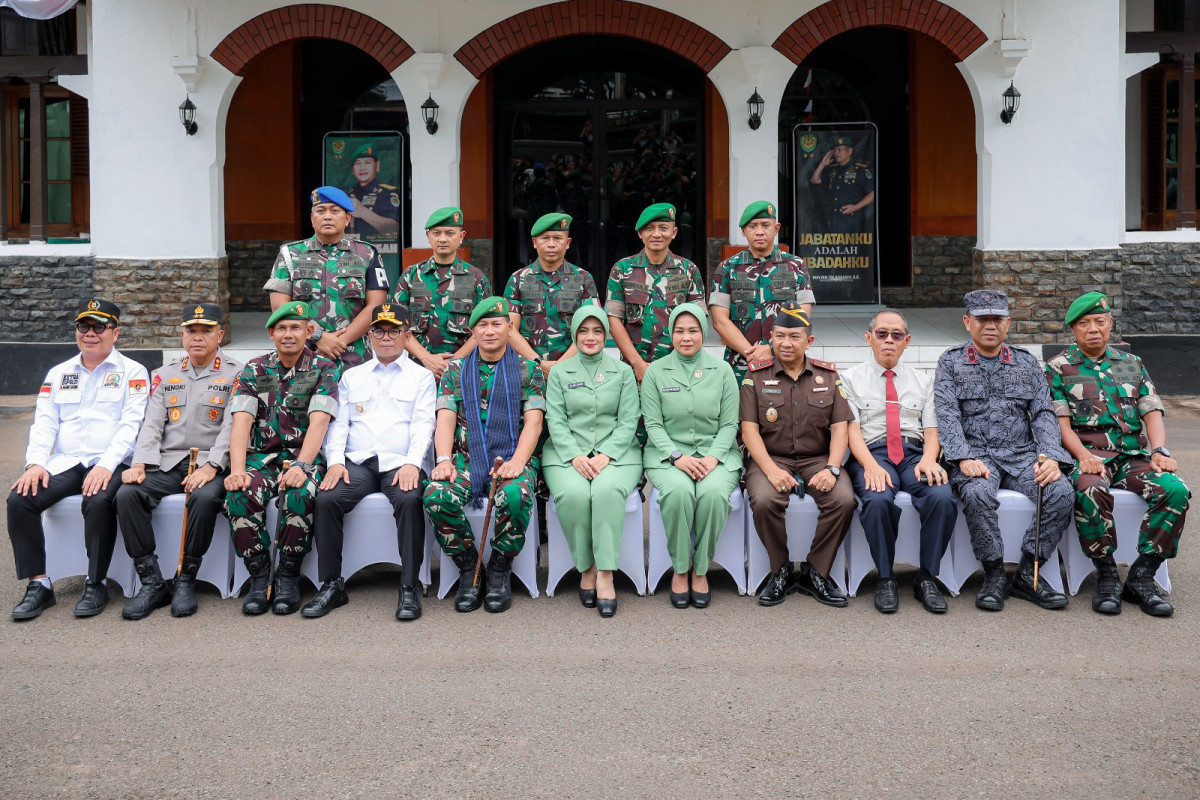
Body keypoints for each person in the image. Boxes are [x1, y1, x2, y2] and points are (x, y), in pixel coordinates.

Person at [1045, 291, 1190, 616]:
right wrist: (1082, 456)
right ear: (1074, 329)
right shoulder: (1059, 367)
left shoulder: (1131, 363)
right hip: (1089, 456)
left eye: (1099, 321)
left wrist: (1159, 450)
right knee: (1089, 490)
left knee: (1175, 490)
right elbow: (1061, 423)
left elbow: (1151, 410)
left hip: (1132, 457)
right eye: (1084, 323)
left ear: (1110, 323)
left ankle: (1142, 575)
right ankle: (1107, 574)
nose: (1093, 329)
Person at [8, 299, 149, 620]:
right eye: (83, 326)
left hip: (113, 461)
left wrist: (107, 465)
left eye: (99, 327)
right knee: (20, 499)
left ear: (115, 333)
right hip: (67, 461)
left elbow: (132, 425)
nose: (90, 333)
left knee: (97, 501)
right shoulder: (59, 373)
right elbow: (45, 423)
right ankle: (39, 584)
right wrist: (35, 463)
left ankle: (96, 582)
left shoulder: (133, 372)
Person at [934, 289, 1073, 612]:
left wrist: (1051, 456)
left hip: (1022, 455)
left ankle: (1027, 572)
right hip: (976, 456)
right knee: (977, 494)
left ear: (1007, 323)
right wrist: (962, 457)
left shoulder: (1025, 362)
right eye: (982, 319)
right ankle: (994, 572)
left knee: (1061, 491)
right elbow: (947, 414)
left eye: (997, 319)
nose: (990, 326)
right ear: (967, 322)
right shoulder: (951, 362)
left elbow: (1043, 413)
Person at [305, 304, 436, 620]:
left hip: (401, 463)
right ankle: (332, 584)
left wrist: (413, 463)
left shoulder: (421, 377)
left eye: (394, 331)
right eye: (379, 331)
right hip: (359, 463)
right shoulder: (352, 376)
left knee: (410, 498)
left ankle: (409, 586)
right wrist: (335, 462)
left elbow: (424, 425)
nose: (386, 337)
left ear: (407, 336)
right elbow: (339, 424)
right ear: (369, 337)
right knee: (327, 499)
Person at [114, 303, 242, 620]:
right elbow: (152, 424)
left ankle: (186, 579)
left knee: (204, 498)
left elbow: (233, 425)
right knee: (128, 495)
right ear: (182, 335)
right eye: (191, 331)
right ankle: (152, 582)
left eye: (206, 331)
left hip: (211, 463)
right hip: (168, 462)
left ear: (220, 335)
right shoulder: (164, 374)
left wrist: (213, 466)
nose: (197, 337)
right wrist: (140, 464)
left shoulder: (237, 373)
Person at [423, 297, 545, 614]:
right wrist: (443, 460)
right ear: (473, 331)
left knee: (516, 495)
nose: (489, 331)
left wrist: (518, 462)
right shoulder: (456, 370)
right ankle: (469, 568)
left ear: (509, 328)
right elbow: (445, 418)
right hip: (466, 460)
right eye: (482, 325)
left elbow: (534, 422)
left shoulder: (528, 369)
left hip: (513, 457)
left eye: (496, 324)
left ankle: (500, 568)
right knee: (436, 494)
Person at [224, 302, 339, 616]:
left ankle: (288, 575)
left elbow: (319, 421)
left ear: (309, 331)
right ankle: (260, 576)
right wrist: (237, 470)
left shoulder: (324, 369)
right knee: (238, 494)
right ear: (271, 333)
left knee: (300, 494)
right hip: (263, 458)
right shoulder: (255, 369)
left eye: (296, 328)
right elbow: (241, 421)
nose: (289, 334)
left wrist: (302, 466)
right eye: (282, 328)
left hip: (305, 457)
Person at [840, 309, 956, 614]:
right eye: (882, 334)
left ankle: (926, 577)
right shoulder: (849, 379)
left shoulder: (923, 380)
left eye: (897, 335)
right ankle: (885, 577)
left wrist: (930, 459)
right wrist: (869, 465)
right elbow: (852, 431)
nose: (889, 340)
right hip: (872, 453)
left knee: (942, 497)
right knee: (877, 499)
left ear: (907, 341)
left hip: (914, 455)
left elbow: (931, 430)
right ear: (869, 338)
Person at [741, 303, 855, 608]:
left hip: (817, 458)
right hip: (771, 457)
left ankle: (815, 571)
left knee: (843, 500)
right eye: (779, 336)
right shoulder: (756, 375)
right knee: (765, 501)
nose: (786, 343)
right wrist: (770, 470)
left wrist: (832, 468)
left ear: (809, 341)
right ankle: (779, 570)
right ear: (771, 338)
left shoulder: (827, 375)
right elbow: (749, 431)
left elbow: (840, 428)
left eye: (794, 336)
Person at [543, 306, 642, 618]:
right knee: (572, 494)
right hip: (566, 454)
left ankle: (605, 573)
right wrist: (574, 455)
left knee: (606, 491)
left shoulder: (622, 371)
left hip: (617, 455)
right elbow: (555, 419)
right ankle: (586, 567)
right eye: (583, 331)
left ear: (606, 334)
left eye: (597, 331)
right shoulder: (559, 372)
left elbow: (629, 420)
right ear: (574, 334)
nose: (590, 337)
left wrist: (607, 454)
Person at [641, 303, 741, 609]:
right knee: (678, 492)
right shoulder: (655, 371)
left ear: (703, 333)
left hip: (716, 456)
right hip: (668, 456)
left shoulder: (722, 370)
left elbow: (730, 424)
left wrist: (713, 458)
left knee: (712, 494)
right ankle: (680, 568)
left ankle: (701, 569)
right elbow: (653, 424)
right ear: (671, 334)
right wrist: (677, 456)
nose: (686, 337)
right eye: (680, 331)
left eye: (693, 331)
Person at [264, 186, 389, 370]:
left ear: (347, 218)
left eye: (335, 211)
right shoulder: (289, 254)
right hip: (303, 353)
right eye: (321, 211)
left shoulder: (367, 253)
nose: (327, 216)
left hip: (355, 356)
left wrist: (338, 342)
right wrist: (318, 337)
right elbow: (280, 307)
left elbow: (376, 306)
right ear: (312, 218)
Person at [710, 201, 816, 381]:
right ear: (743, 231)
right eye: (752, 226)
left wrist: (771, 349)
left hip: (785, 362)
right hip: (740, 365)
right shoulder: (726, 268)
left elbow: (802, 316)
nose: (759, 231)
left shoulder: (796, 266)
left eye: (766, 225)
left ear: (776, 228)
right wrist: (752, 354)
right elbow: (720, 321)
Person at [605, 202, 706, 382]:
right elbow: (613, 320)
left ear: (674, 232)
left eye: (663, 228)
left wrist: (678, 363)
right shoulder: (622, 270)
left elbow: (697, 322)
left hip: (679, 370)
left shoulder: (689, 270)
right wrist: (637, 363)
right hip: (633, 371)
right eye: (649, 228)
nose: (657, 234)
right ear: (640, 233)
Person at [391, 206, 492, 378]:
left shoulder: (476, 278)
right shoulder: (411, 275)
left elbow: (485, 326)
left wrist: (454, 362)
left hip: (463, 370)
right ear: (428, 236)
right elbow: (397, 323)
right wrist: (427, 359)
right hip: (416, 369)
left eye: (450, 233)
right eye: (436, 233)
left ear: (461, 237)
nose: (443, 239)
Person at [503, 212, 599, 378]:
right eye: (545, 238)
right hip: (528, 371)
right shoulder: (518, 279)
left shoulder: (584, 279)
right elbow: (509, 329)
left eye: (557, 238)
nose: (551, 244)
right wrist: (539, 363)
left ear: (567, 243)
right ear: (534, 242)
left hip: (574, 370)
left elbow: (591, 328)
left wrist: (560, 366)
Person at [808, 135, 875, 234]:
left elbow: (873, 193)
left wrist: (855, 207)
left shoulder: (861, 170)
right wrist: (822, 164)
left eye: (839, 149)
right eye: (835, 150)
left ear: (849, 151)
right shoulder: (832, 169)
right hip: (833, 220)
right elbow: (814, 180)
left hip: (852, 221)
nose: (836, 153)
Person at [346, 143, 401, 237]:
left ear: (377, 166)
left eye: (367, 162)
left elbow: (394, 228)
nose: (362, 168)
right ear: (352, 170)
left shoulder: (388, 193)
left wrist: (362, 212)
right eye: (357, 163)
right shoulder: (349, 195)